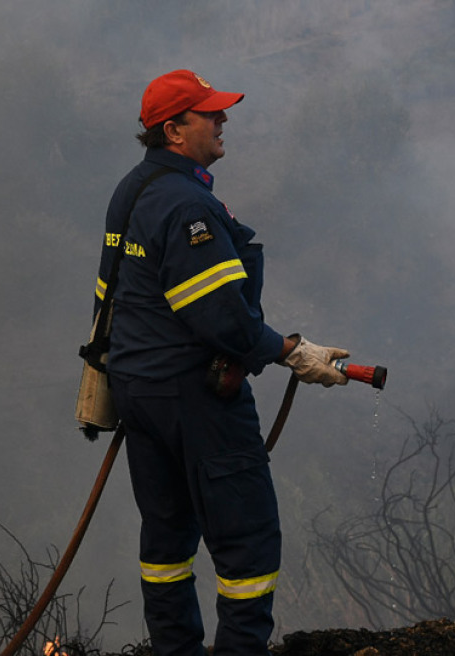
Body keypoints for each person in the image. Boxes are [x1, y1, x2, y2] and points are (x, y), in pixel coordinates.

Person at [92, 69, 351, 656]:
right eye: (210, 113)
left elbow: (112, 295)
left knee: (166, 535)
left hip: (139, 389)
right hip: (195, 397)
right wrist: (295, 352)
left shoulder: (133, 189)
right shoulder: (188, 206)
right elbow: (223, 321)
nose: (223, 119)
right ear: (174, 129)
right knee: (247, 540)